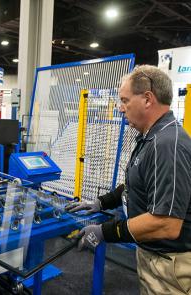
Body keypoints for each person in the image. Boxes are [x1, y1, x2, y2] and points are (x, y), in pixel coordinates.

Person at [66, 65, 191, 294]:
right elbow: (137, 182)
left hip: (170, 265)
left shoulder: (167, 144)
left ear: (147, 99)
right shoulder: (150, 138)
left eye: (125, 100)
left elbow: (167, 223)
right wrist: (101, 202)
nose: (121, 108)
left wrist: (105, 231)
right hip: (154, 257)